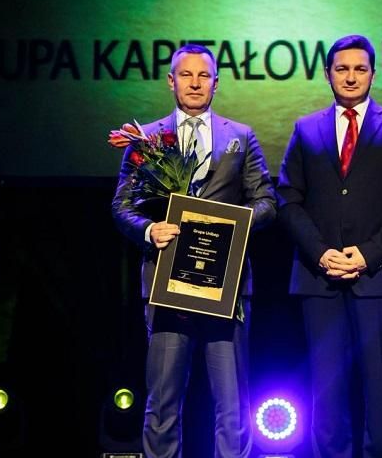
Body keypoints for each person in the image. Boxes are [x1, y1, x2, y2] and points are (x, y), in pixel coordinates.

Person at [112, 44, 276, 458]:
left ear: (216, 83)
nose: (195, 83)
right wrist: (150, 230)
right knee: (163, 402)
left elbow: (267, 202)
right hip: (167, 283)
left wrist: (232, 227)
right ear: (171, 81)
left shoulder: (241, 136)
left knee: (233, 404)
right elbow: (122, 206)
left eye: (204, 76)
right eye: (186, 75)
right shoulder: (146, 138)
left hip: (226, 286)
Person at [276, 34, 382, 457]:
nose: (351, 76)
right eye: (341, 69)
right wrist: (320, 252)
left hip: (379, 278)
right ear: (327, 74)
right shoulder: (306, 129)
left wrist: (367, 254)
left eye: (360, 69)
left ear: (373, 74)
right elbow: (287, 198)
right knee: (326, 394)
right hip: (319, 279)